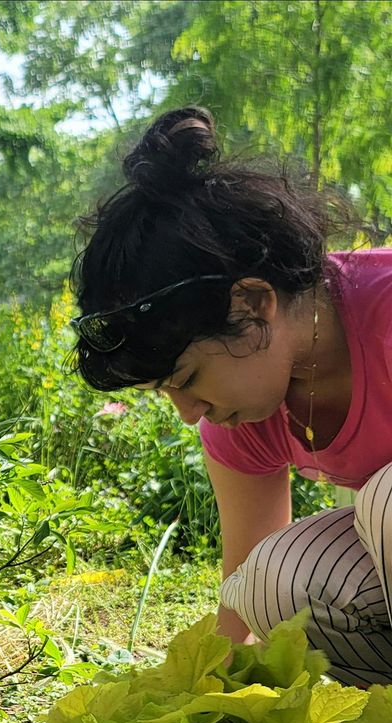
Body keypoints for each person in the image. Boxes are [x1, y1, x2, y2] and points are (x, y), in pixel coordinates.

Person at [69, 106, 391, 687]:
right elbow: (244, 572)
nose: (189, 413)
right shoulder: (243, 412)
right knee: (273, 583)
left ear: (252, 304)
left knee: (384, 504)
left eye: (187, 378)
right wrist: (203, 696)